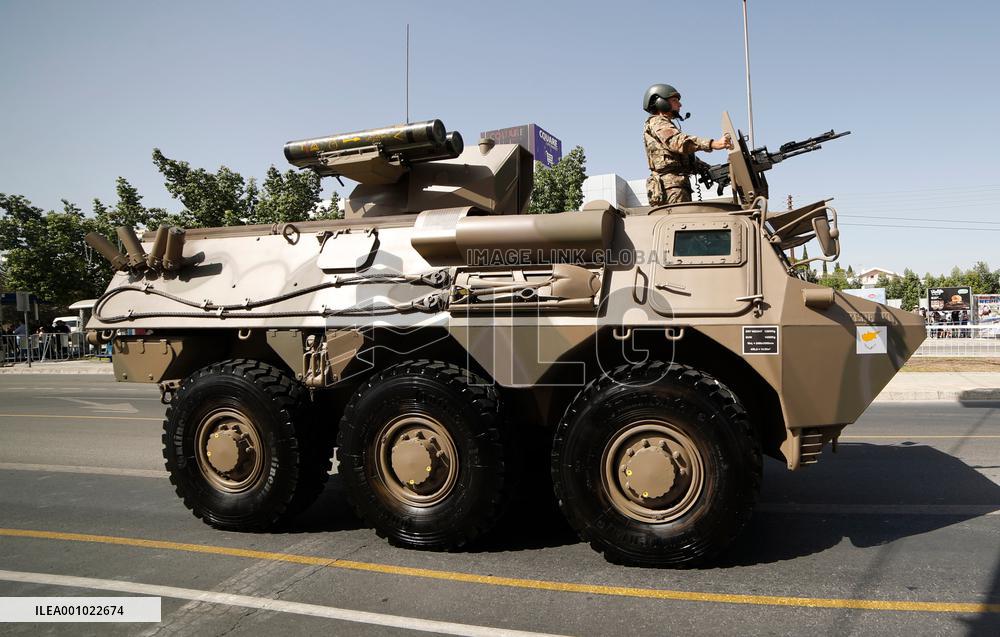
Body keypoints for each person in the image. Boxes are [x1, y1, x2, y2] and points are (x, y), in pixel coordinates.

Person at [642, 83, 734, 205]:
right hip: (671, 187)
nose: (680, 105)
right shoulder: (657, 122)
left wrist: (716, 171)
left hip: (676, 185)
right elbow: (679, 142)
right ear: (660, 102)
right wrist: (713, 144)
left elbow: (687, 158)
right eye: (675, 100)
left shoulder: (664, 124)